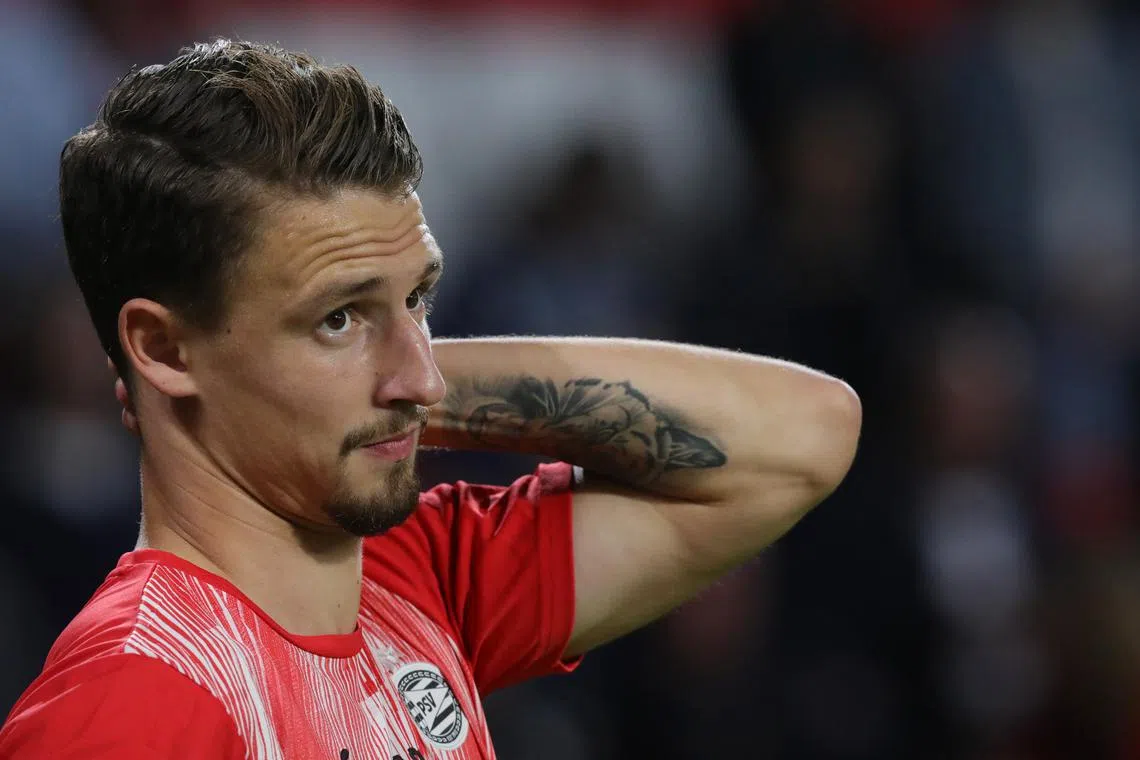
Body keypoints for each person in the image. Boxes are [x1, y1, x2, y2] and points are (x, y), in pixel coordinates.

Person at [0, 39, 861, 759]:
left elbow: (805, 436)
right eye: (338, 316)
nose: (421, 376)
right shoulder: (129, 703)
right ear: (163, 349)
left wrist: (374, 385)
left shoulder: (422, 577)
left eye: (416, 298)